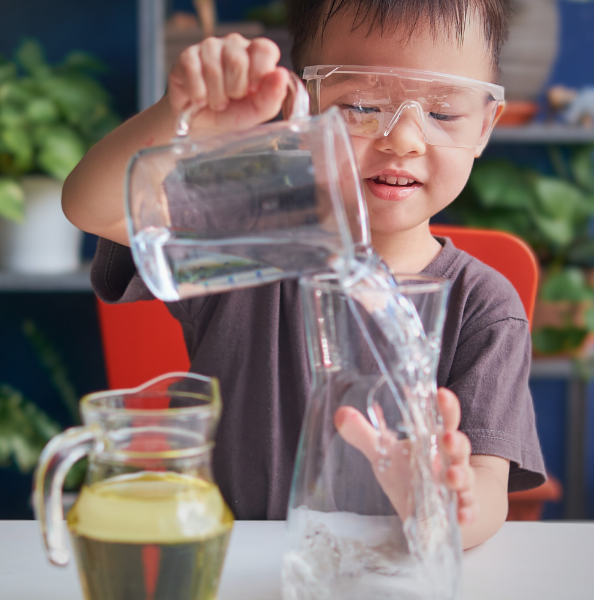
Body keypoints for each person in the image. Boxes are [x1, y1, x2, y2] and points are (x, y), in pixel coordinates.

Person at [62, 0, 545, 549]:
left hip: (386, 574)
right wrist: (180, 119)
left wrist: (443, 503)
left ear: (485, 125)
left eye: (442, 114)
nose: (404, 140)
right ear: (306, 105)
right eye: (361, 105)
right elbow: (90, 206)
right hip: (226, 565)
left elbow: (488, 490)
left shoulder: (483, 305)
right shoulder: (252, 241)